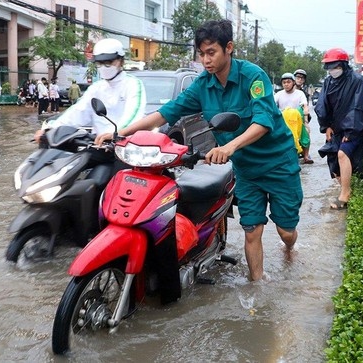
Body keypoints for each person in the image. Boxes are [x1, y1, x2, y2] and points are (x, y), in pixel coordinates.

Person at [95, 20, 302, 282]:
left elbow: (263, 122)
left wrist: (229, 146)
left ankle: (290, 247)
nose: (205, 60)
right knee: (252, 231)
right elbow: (166, 112)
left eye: (211, 52)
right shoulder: (203, 84)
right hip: (247, 170)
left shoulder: (254, 77)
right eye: (201, 54)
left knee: (285, 230)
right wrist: (123, 132)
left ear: (229, 48)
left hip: (278, 165)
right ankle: (257, 286)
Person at [35, 38, 145, 139]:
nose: (104, 67)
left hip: (125, 146)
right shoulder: (96, 88)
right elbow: (78, 111)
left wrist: (116, 133)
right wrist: (50, 128)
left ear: (121, 61)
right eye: (99, 63)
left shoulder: (133, 84)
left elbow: (133, 114)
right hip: (98, 144)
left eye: (108, 62)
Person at [315, 48, 363, 211]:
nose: (332, 70)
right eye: (329, 67)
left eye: (335, 66)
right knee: (333, 161)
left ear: (344, 65)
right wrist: (326, 126)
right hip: (335, 128)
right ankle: (347, 187)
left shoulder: (357, 80)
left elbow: (357, 106)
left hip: (354, 128)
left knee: (342, 154)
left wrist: (350, 131)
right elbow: (322, 104)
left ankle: (345, 194)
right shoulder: (328, 82)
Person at [275, 72, 313, 164]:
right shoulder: (278, 94)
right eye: (284, 82)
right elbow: (272, 106)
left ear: (293, 83)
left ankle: (306, 156)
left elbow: (304, 106)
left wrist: (306, 122)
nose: (286, 84)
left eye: (288, 82)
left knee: (306, 135)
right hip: (283, 121)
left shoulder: (300, 94)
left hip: (297, 121)